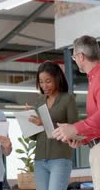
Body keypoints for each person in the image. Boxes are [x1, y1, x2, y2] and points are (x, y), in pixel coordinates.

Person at [53, 35, 100, 190]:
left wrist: (75, 128)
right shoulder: (99, 77)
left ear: (81, 56)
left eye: (74, 57)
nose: (75, 61)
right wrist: (82, 138)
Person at [26, 61, 78, 190]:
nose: (44, 85)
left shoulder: (67, 99)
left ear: (57, 78)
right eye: (41, 82)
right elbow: (34, 137)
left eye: (48, 81)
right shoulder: (39, 102)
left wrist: (44, 123)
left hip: (60, 158)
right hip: (39, 160)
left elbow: (75, 130)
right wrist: (28, 121)